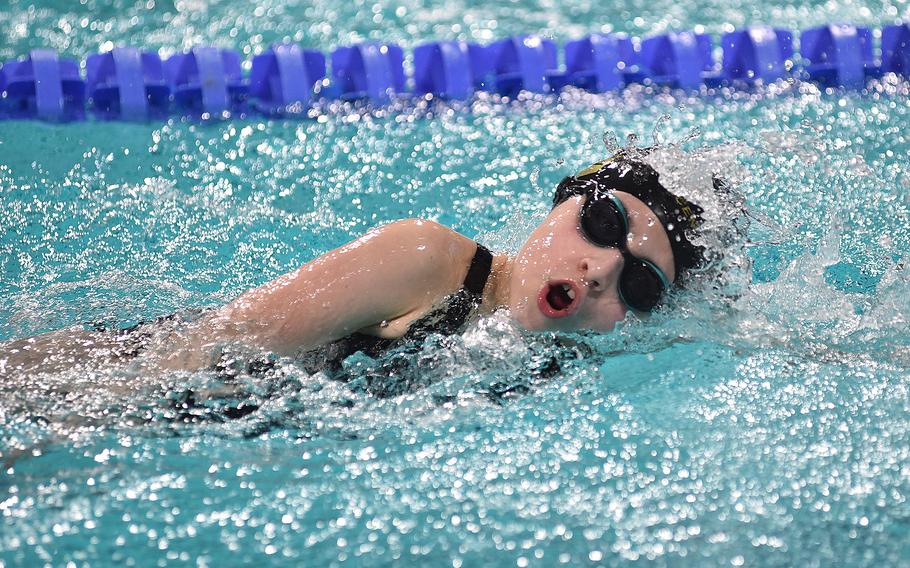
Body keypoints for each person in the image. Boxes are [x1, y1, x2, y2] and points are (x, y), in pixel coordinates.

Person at [1, 148, 712, 382]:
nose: (598, 272)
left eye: (642, 286)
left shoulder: (552, 361)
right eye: (602, 223)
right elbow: (204, 350)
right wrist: (92, 423)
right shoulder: (429, 260)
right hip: (92, 381)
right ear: (558, 206)